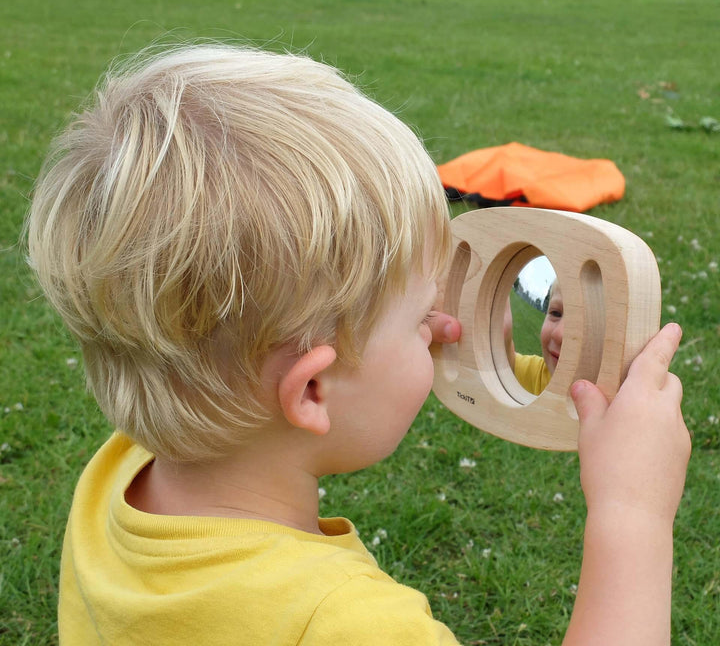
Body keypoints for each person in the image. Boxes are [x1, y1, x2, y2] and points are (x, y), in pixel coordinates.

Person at [27, 44, 690, 646]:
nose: (447, 327)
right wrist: (632, 514)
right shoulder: (346, 623)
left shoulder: (118, 472)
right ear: (312, 389)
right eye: (419, 322)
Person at [505, 280, 563, 395]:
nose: (559, 334)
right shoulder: (541, 373)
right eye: (556, 313)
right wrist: (504, 337)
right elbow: (507, 366)